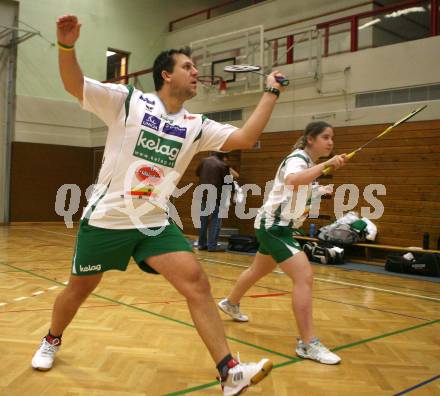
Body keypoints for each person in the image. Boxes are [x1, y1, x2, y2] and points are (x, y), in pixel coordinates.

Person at [31, 14, 286, 395]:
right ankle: (52, 338)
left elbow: (246, 138)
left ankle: (229, 372)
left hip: (153, 222)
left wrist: (271, 93)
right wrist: (66, 47)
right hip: (108, 219)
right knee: (79, 289)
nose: (196, 72)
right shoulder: (128, 101)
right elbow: (75, 85)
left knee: (197, 282)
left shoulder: (196, 125)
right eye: (188, 66)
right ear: (166, 75)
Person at [218, 121, 346, 365]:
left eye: (332, 138)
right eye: (326, 137)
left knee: (259, 269)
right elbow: (293, 180)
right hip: (275, 227)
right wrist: (326, 165)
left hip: (278, 225)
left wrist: (320, 191)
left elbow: (299, 189)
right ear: (310, 139)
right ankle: (308, 344)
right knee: (304, 276)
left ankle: (230, 303)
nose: (330, 142)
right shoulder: (297, 159)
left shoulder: (308, 163)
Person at [196, 152, 239, 252]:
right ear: (224, 157)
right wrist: (234, 191)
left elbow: (197, 173)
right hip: (217, 197)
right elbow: (228, 181)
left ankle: (201, 245)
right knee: (215, 222)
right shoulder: (223, 165)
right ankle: (212, 246)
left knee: (203, 221)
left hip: (203, 195)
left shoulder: (204, 161)